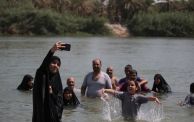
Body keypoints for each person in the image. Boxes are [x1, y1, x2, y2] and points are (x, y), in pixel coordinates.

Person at [32, 42, 66, 122]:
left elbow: (60, 101)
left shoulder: (58, 80)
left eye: (58, 64)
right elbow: (43, 66)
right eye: (53, 63)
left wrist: (51, 93)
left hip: (55, 116)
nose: (56, 65)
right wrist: (52, 51)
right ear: (48, 63)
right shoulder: (41, 75)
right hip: (42, 115)